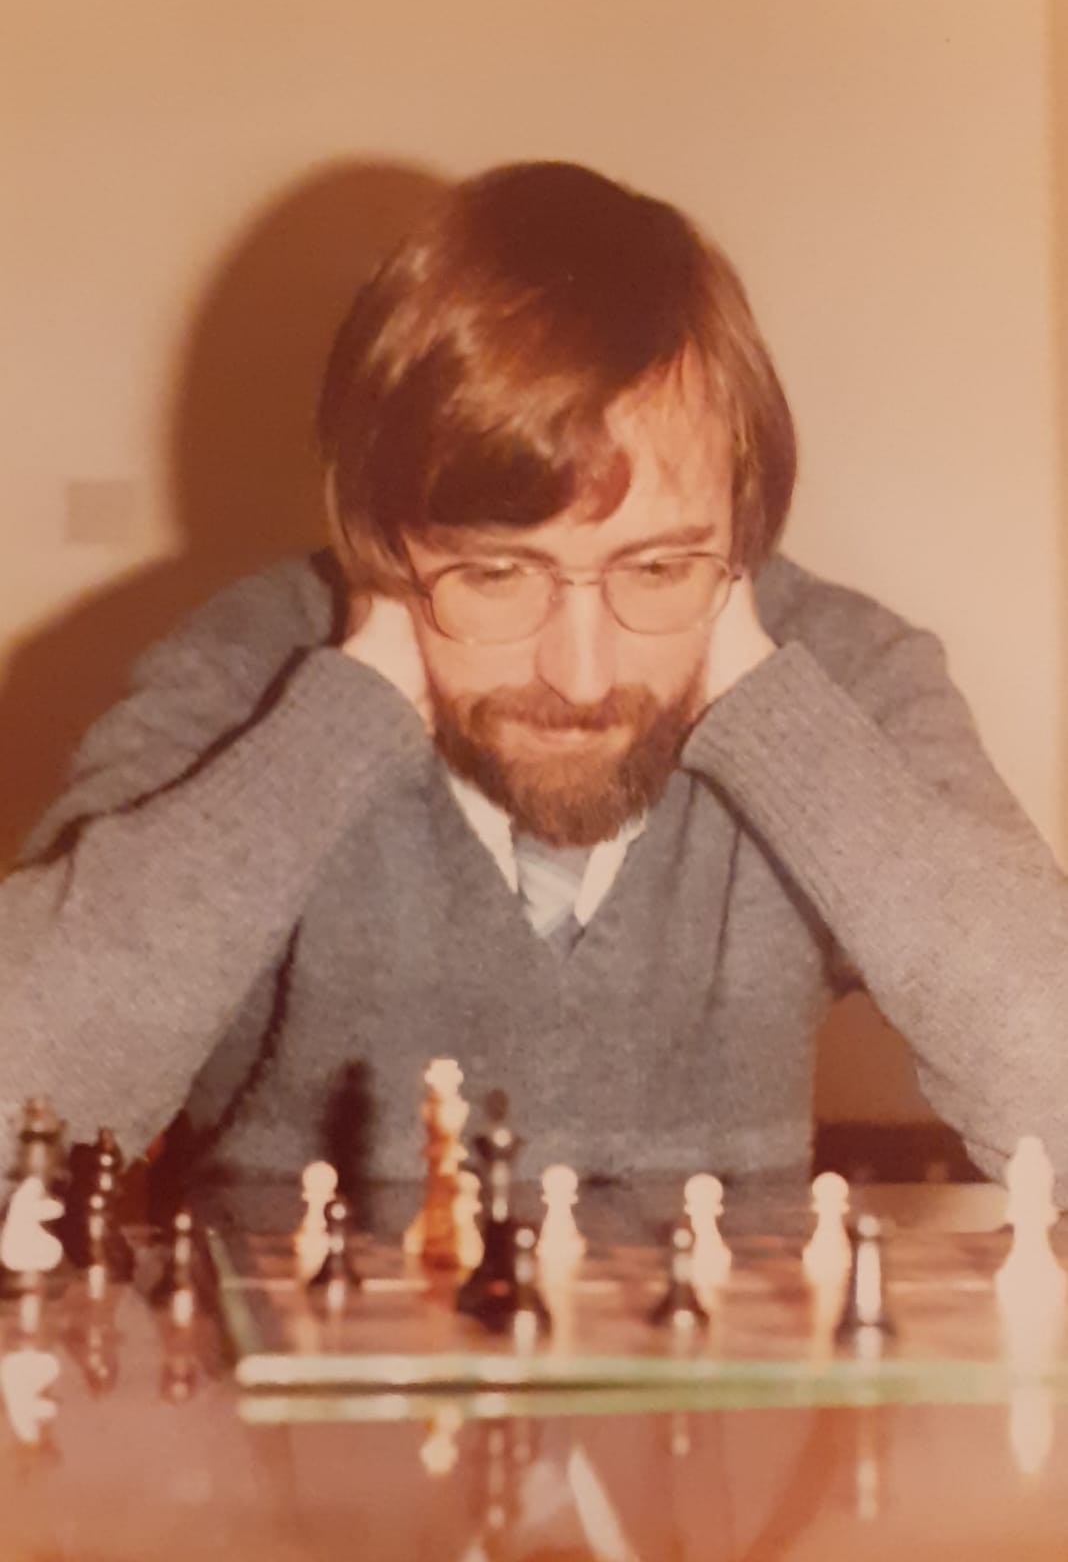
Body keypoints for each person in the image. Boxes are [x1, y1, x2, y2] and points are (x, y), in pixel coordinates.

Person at [1, 159, 1067, 1195]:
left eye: (656, 567)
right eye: (496, 573)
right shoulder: (241, 677)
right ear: (382, 542)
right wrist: (338, 726)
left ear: (742, 536)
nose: (581, 675)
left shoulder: (844, 678)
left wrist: (767, 711)